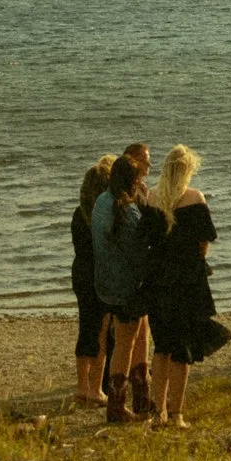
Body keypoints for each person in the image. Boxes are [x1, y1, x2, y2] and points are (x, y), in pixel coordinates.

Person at [140, 144, 224, 429]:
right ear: (187, 171)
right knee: (182, 349)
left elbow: (146, 241)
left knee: (162, 347)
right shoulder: (194, 198)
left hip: (158, 280)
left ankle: (158, 411)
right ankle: (176, 413)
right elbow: (204, 241)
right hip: (186, 279)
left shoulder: (152, 198)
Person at [91, 142, 152, 423]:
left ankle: (142, 396)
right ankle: (117, 406)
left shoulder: (101, 202)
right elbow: (140, 253)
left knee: (138, 334)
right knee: (126, 342)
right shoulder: (128, 212)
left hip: (105, 283)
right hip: (127, 287)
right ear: (133, 180)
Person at [71, 153, 115, 404]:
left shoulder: (79, 214)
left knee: (85, 327)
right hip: (99, 273)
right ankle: (95, 387)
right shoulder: (102, 214)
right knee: (101, 330)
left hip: (80, 271)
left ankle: (81, 385)